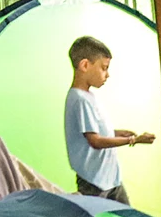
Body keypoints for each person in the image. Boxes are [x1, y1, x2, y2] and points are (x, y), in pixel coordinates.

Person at [64, 36, 155, 203]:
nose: (107, 75)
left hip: (109, 176)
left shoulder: (88, 96)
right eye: (104, 68)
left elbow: (91, 131)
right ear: (85, 65)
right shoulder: (79, 99)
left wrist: (117, 133)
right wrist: (132, 140)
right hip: (94, 180)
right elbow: (95, 141)